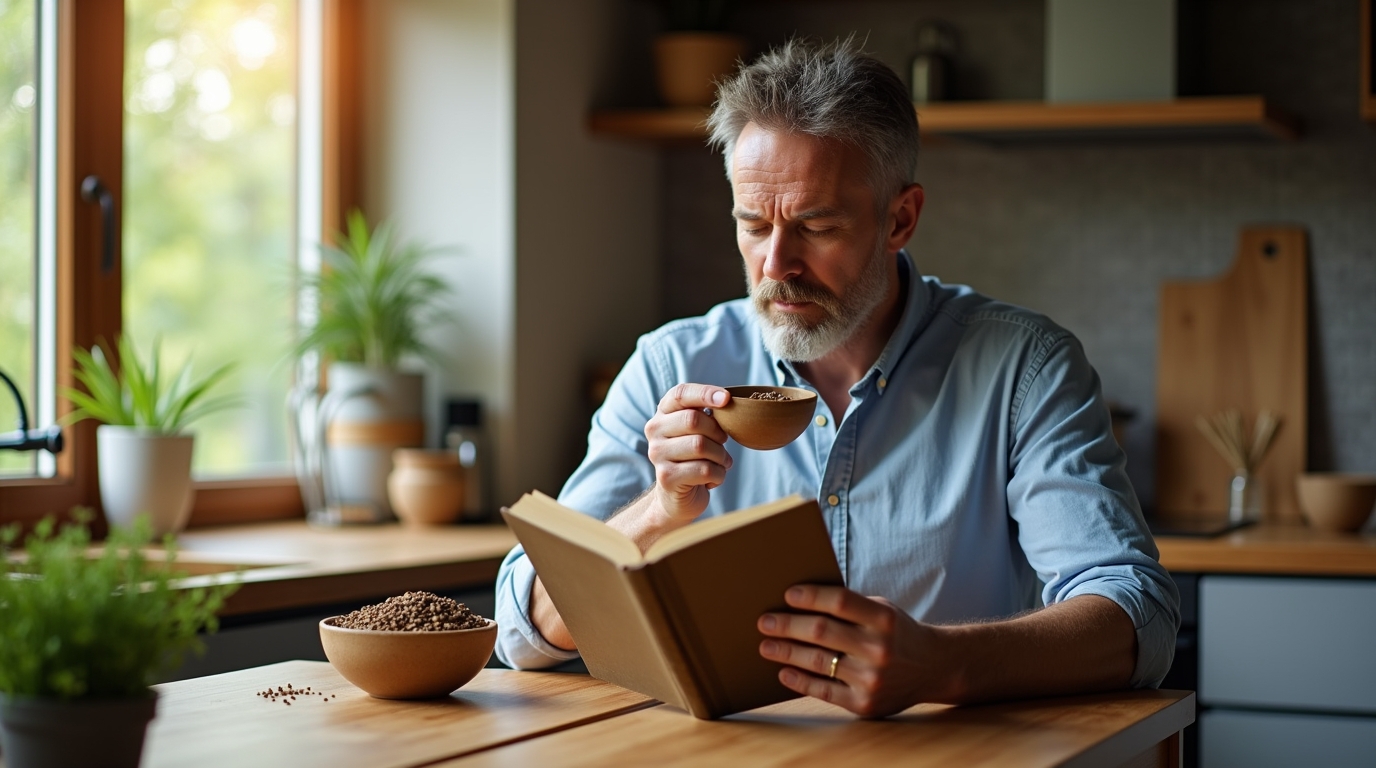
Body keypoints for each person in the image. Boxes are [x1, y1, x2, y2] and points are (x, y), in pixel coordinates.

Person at [494, 37, 1179, 718]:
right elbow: (523, 632)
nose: (775, 265)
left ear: (900, 219)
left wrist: (941, 664)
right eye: (753, 224)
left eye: (816, 226)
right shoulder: (669, 365)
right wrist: (657, 512)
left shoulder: (1026, 367)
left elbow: (1139, 617)